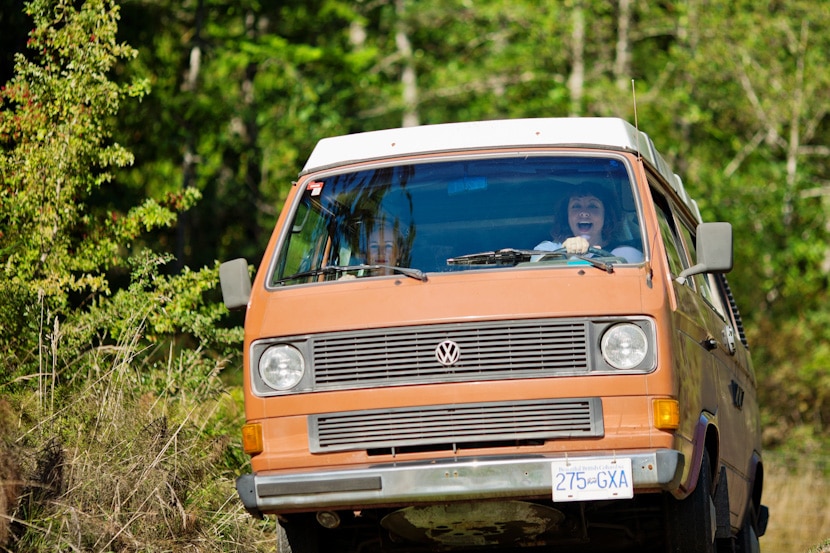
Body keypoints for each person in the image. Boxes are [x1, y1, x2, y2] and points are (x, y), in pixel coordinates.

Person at [534, 182, 643, 263]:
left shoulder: (625, 253)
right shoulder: (547, 249)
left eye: (592, 206)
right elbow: (534, 275)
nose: (584, 213)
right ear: (566, 215)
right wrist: (565, 255)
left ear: (606, 215)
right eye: (576, 206)